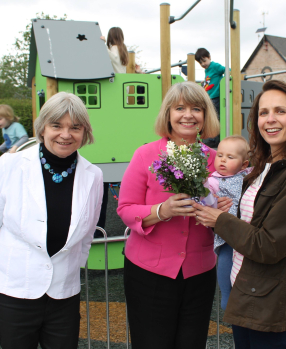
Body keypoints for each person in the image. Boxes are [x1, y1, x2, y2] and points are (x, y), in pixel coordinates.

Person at [193, 80, 286, 349]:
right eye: (263, 113)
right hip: (248, 289)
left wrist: (219, 220)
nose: (270, 119)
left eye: (280, 111)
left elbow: (270, 245)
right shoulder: (264, 167)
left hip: (270, 300)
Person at [0, 92, 103, 349]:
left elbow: (87, 235)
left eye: (75, 128)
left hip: (63, 295)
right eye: (57, 125)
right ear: (42, 128)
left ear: (84, 133)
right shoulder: (10, 165)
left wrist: (68, 272)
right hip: (13, 292)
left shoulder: (94, 175)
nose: (65, 134)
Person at [117, 81, 220, 349]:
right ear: (168, 115)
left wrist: (223, 213)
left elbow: (228, 212)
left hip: (199, 272)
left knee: (192, 342)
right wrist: (162, 211)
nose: (188, 115)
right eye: (180, 108)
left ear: (205, 116)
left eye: (196, 108)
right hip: (148, 272)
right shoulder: (145, 155)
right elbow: (126, 209)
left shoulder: (217, 160)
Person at [205, 135, 251, 311]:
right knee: (225, 267)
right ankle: (227, 301)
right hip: (227, 237)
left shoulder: (249, 176)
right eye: (219, 155)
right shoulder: (212, 181)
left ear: (244, 164)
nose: (223, 160)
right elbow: (204, 198)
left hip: (248, 234)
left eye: (230, 157)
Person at [195, 47, 225, 148]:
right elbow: (210, 81)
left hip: (216, 97)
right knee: (209, 116)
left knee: (215, 117)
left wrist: (225, 81)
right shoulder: (207, 70)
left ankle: (214, 138)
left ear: (209, 57)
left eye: (204, 60)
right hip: (210, 97)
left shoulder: (214, 66)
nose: (203, 64)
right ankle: (209, 136)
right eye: (200, 63)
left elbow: (227, 70)